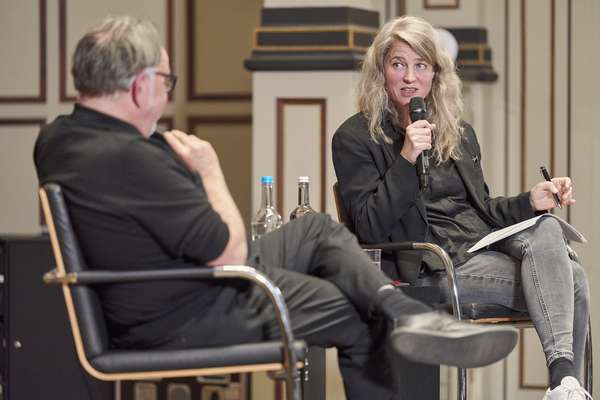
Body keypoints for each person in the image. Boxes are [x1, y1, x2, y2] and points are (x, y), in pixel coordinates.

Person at [34, 15, 519, 399]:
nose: (168, 91)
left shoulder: (60, 138)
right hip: (191, 308)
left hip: (176, 286)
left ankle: (403, 310)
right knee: (359, 313)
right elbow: (229, 249)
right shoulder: (132, 158)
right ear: (140, 86)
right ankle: (397, 312)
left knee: (318, 231)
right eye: (166, 79)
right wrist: (209, 169)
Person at [332, 15, 592, 400]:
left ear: (436, 75)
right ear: (380, 71)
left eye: (421, 66)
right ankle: (568, 385)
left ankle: (563, 384)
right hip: (434, 265)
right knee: (573, 279)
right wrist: (406, 158)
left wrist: (531, 201)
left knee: (549, 226)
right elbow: (369, 227)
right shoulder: (355, 138)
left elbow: (482, 211)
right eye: (398, 64)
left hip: (482, 247)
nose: (409, 77)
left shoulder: (458, 132)